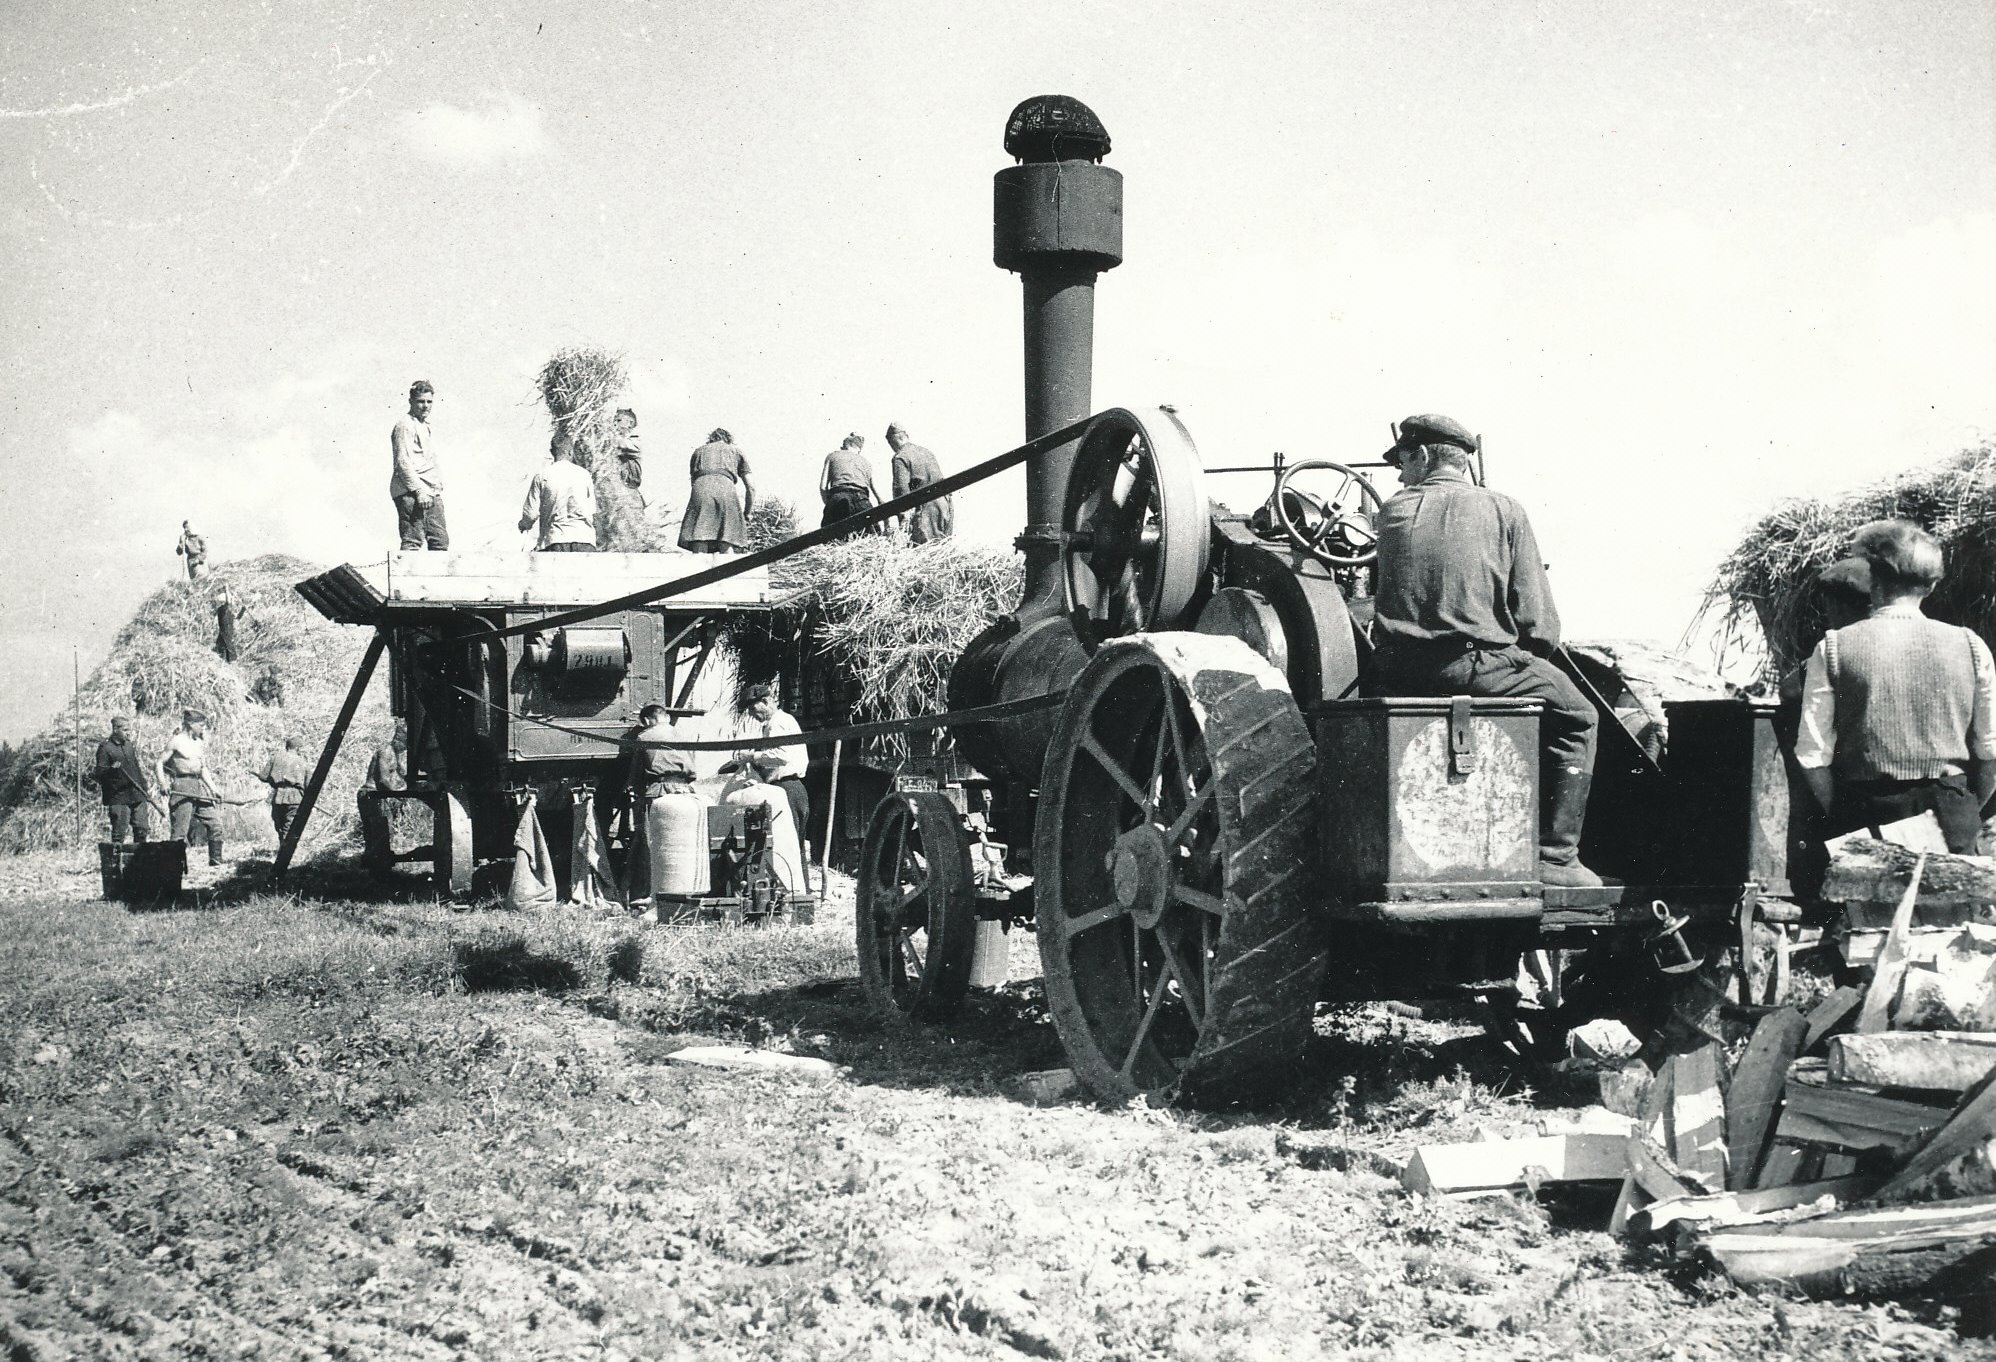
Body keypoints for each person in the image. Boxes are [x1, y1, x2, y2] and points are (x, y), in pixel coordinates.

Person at [1369, 413, 1605, 888]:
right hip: (1475, 667)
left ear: (1423, 455)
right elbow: (1539, 623)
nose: (1398, 475)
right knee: (1579, 716)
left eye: (1402, 462)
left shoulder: (1389, 513)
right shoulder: (1505, 510)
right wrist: (1522, 655)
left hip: (1396, 673)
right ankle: (1556, 857)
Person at [1794, 519, 1996, 854]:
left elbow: (1812, 756)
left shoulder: (1832, 648)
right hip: (1952, 814)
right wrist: (1965, 807)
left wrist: (1843, 811)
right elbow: (1991, 752)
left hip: (1864, 812)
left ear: (1872, 577)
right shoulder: (1971, 646)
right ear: (1930, 586)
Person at [718, 682, 808, 889]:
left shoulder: (778, 723)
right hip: (788, 787)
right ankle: (800, 892)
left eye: (752, 708)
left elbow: (781, 756)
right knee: (793, 845)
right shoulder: (776, 724)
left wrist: (752, 756)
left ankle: (797, 894)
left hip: (787, 788)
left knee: (788, 845)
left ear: (766, 701)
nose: (751, 714)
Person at [154, 708, 225, 867]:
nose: (203, 728)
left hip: (198, 787)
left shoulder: (199, 742)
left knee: (215, 824)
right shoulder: (176, 741)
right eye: (201, 725)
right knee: (180, 832)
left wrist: (214, 789)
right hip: (182, 785)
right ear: (190, 724)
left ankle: (216, 862)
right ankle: (174, 868)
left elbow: (203, 768)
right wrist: (162, 784)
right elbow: (159, 763)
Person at [390, 380, 450, 551]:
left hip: (430, 491)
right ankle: (407, 578)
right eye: (421, 401)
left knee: (439, 541)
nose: (425, 406)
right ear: (411, 401)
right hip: (412, 491)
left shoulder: (424, 426)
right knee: (413, 541)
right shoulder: (404, 425)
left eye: (429, 402)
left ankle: (433, 579)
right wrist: (418, 491)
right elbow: (402, 463)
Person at [518, 433, 600, 552]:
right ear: (571, 452)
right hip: (584, 541)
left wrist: (524, 525)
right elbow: (591, 512)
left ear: (552, 452)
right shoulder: (584, 475)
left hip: (555, 540)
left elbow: (531, 514)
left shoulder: (542, 476)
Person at [678, 428, 754, 553]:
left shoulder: (698, 452)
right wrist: (747, 513)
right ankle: (728, 568)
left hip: (701, 489)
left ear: (711, 439)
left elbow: (693, 481)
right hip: (726, 490)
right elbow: (751, 487)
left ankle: (699, 568)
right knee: (728, 537)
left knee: (699, 535)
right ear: (729, 439)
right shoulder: (736, 451)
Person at [95, 716, 161, 843]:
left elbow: (136, 768)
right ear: (115, 730)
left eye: (129, 730)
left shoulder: (129, 745)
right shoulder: (105, 748)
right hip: (118, 796)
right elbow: (99, 774)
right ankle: (115, 861)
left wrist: (144, 788)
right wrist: (112, 769)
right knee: (119, 832)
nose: (129, 732)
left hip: (137, 793)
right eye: (125, 730)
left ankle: (139, 859)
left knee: (142, 829)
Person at [887, 423, 953, 544]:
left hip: (927, 507)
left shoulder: (900, 457)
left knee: (926, 548)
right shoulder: (926, 452)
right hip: (945, 503)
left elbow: (901, 489)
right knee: (942, 547)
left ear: (892, 441)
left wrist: (903, 516)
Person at [357, 722, 408, 873]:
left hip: (378, 796)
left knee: (377, 836)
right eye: (406, 742)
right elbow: (383, 780)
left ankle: (372, 871)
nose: (406, 748)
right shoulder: (385, 750)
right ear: (399, 737)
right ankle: (378, 873)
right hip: (371, 795)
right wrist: (399, 794)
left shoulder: (396, 753)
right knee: (381, 834)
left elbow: (403, 773)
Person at [819, 433, 882, 534]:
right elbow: (877, 493)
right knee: (873, 537)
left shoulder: (832, 456)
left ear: (844, 446)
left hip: (839, 496)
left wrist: (830, 505)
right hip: (862, 500)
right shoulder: (866, 462)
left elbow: (823, 487)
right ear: (859, 449)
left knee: (830, 539)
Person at [258, 736, 312, 843]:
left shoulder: (275, 758)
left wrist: (274, 779)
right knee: (290, 825)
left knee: (280, 826)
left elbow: (263, 777)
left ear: (287, 746)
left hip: (278, 796)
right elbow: (309, 785)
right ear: (297, 749)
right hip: (295, 798)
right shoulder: (303, 762)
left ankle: (283, 848)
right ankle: (286, 851)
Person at [613, 408, 644, 490]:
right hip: (619, 479)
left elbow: (620, 444)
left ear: (630, 423)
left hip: (629, 483)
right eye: (614, 420)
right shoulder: (622, 438)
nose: (615, 423)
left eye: (619, 420)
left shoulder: (635, 440)